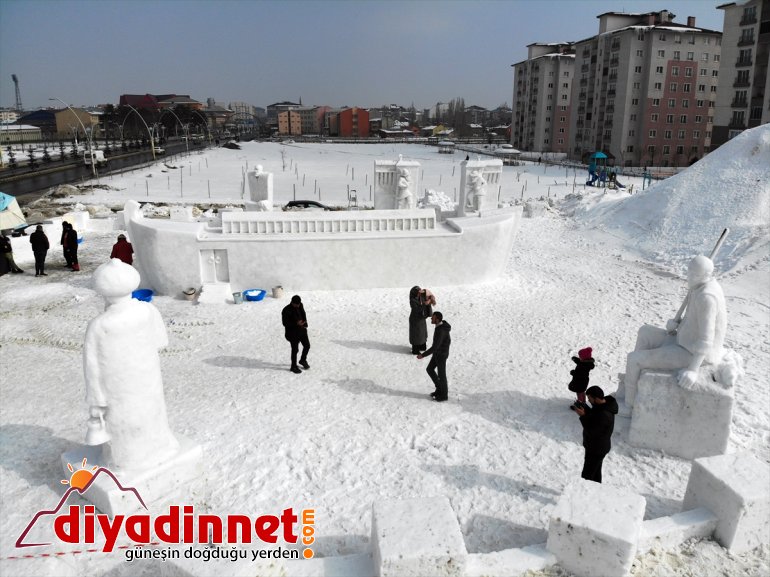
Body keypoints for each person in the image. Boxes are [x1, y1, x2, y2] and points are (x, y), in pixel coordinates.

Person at [84, 259, 179, 470]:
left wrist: (95, 399)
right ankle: (158, 447)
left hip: (117, 386)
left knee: (124, 422)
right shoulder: (147, 311)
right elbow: (160, 342)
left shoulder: (98, 326)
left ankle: (126, 460)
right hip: (147, 378)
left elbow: (92, 368)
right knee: (150, 415)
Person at [624, 255, 726, 407]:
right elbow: (692, 320)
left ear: (705, 275)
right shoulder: (698, 287)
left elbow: (706, 340)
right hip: (683, 340)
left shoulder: (706, 298)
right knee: (645, 331)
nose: (688, 277)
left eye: (693, 275)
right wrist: (676, 324)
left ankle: (630, 405)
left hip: (693, 353)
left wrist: (692, 370)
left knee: (634, 359)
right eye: (688, 272)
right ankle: (634, 382)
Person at [572, 385, 618, 483]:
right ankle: (597, 491)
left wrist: (583, 416)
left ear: (596, 398)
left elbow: (592, 431)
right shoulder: (603, 405)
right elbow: (594, 415)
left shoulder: (604, 415)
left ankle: (585, 495)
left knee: (587, 476)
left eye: (589, 399)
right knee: (595, 473)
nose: (589, 400)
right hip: (596, 447)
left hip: (596, 449)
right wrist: (585, 407)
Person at [417, 312, 452, 402]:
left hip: (441, 355)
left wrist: (423, 355)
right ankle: (439, 388)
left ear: (437, 319)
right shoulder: (440, 327)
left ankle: (444, 395)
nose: (431, 319)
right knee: (430, 369)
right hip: (437, 353)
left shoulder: (441, 330)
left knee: (442, 375)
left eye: (433, 318)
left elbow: (435, 346)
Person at [282, 295, 310, 374]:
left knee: (307, 346)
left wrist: (305, 322)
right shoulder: (286, 310)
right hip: (292, 333)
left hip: (302, 330)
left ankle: (302, 360)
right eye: (296, 304)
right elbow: (285, 323)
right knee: (295, 350)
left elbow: (303, 313)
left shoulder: (300, 305)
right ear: (292, 302)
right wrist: (296, 323)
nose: (298, 306)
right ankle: (293, 366)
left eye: (299, 304)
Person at [409, 286, 434, 354]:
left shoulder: (420, 298)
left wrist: (429, 299)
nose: (420, 294)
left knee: (422, 333)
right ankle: (415, 349)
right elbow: (417, 309)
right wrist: (425, 304)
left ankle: (422, 346)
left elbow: (427, 294)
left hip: (421, 318)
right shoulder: (412, 301)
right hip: (415, 319)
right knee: (416, 335)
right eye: (418, 293)